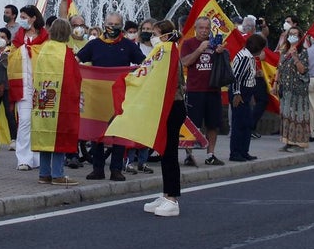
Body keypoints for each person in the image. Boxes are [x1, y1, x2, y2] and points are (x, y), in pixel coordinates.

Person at [78, 12, 144, 181]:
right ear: (104, 24)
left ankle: (116, 169)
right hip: (97, 98)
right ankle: (98, 169)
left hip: (119, 97)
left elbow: (144, 62)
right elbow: (78, 58)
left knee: (119, 133)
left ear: (121, 26)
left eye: (116, 25)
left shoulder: (128, 45)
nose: (112, 27)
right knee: (97, 133)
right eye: (109, 24)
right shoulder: (95, 44)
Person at [142, 20, 186, 218]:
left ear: (166, 36)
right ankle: (166, 194)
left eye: (156, 33)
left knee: (170, 153)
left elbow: (171, 82)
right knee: (164, 151)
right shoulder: (164, 52)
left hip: (173, 106)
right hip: (165, 106)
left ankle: (173, 198)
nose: (152, 37)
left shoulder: (169, 52)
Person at [31, 19, 82, 186]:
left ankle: (43, 174)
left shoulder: (44, 49)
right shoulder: (66, 53)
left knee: (45, 135)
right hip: (61, 102)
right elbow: (74, 78)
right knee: (60, 136)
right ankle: (57, 174)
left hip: (44, 100)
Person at [179, 17, 225, 165]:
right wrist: (200, 49)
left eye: (207, 28)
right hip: (195, 90)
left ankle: (210, 154)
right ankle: (189, 155)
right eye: (201, 28)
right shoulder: (188, 43)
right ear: (195, 28)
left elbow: (224, 64)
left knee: (213, 124)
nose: (204, 31)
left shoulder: (215, 43)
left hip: (213, 89)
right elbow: (185, 62)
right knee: (193, 124)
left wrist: (221, 52)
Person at [10, 5, 49, 171]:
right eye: (21, 17)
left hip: (41, 86)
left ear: (33, 18)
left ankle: (38, 157)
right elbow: (12, 58)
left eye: (25, 17)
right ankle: (23, 159)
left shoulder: (45, 38)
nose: (22, 20)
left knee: (39, 122)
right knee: (25, 121)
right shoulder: (18, 38)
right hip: (23, 85)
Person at [229, 34, 266, 161]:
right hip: (240, 92)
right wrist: (237, 93)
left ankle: (244, 151)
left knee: (246, 123)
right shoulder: (245, 57)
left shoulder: (249, 56)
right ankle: (235, 152)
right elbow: (236, 77)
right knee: (239, 123)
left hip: (246, 91)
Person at [274, 24, 310, 152]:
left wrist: (295, 57)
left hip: (298, 91)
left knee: (297, 116)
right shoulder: (284, 52)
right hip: (286, 89)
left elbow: (303, 70)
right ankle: (288, 142)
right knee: (286, 115)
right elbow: (279, 68)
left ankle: (299, 144)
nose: (292, 36)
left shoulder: (303, 52)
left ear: (300, 37)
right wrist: (275, 84)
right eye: (290, 34)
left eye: (295, 34)